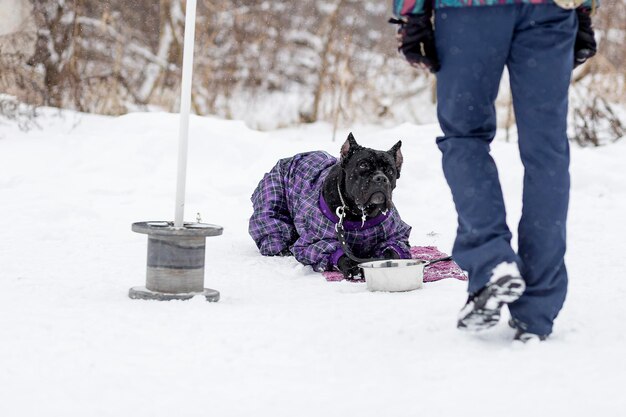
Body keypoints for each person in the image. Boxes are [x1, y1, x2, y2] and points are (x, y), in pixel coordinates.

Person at [391, 0, 598, 342]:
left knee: (465, 135)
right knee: (547, 151)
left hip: (470, 12)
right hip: (550, 10)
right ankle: (537, 308)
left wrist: (410, 12)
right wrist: (585, 8)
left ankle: (491, 263)